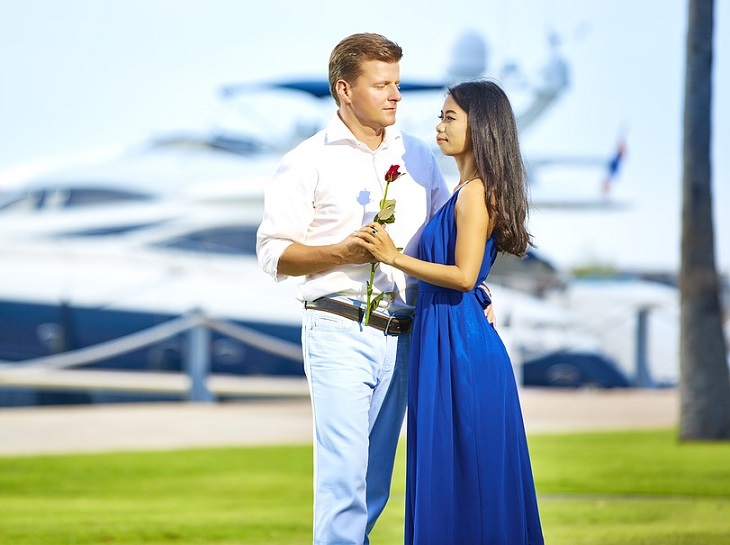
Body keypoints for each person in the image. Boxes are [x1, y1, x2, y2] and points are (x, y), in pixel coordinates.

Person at [256, 33, 453, 544]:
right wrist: (345, 252)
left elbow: (442, 241)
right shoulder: (306, 160)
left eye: (398, 84)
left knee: (373, 487)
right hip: (338, 328)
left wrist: (478, 293)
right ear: (345, 89)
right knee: (343, 480)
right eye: (381, 84)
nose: (396, 96)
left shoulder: (420, 156)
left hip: (404, 335)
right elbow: (273, 254)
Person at [355, 80, 544, 544]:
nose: (438, 126)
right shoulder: (464, 189)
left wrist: (393, 256)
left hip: (459, 347)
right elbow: (469, 277)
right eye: (440, 116)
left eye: (449, 117)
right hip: (447, 337)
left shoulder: (475, 192)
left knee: (468, 473)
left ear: (480, 126)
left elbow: (461, 275)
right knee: (455, 471)